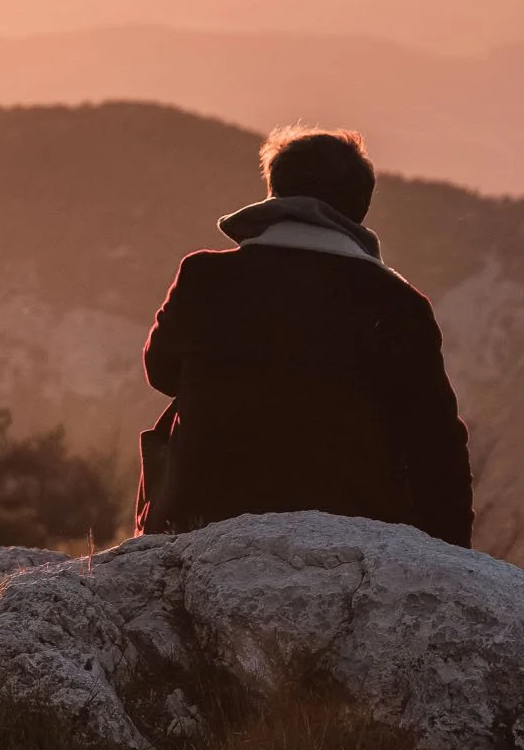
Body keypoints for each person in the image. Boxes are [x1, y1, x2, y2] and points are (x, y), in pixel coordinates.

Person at [138, 126, 471, 544]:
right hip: (352, 528)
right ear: (360, 208)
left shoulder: (205, 276)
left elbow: (161, 371)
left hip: (201, 517)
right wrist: (455, 557)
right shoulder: (398, 304)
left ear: (274, 192)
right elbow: (437, 441)